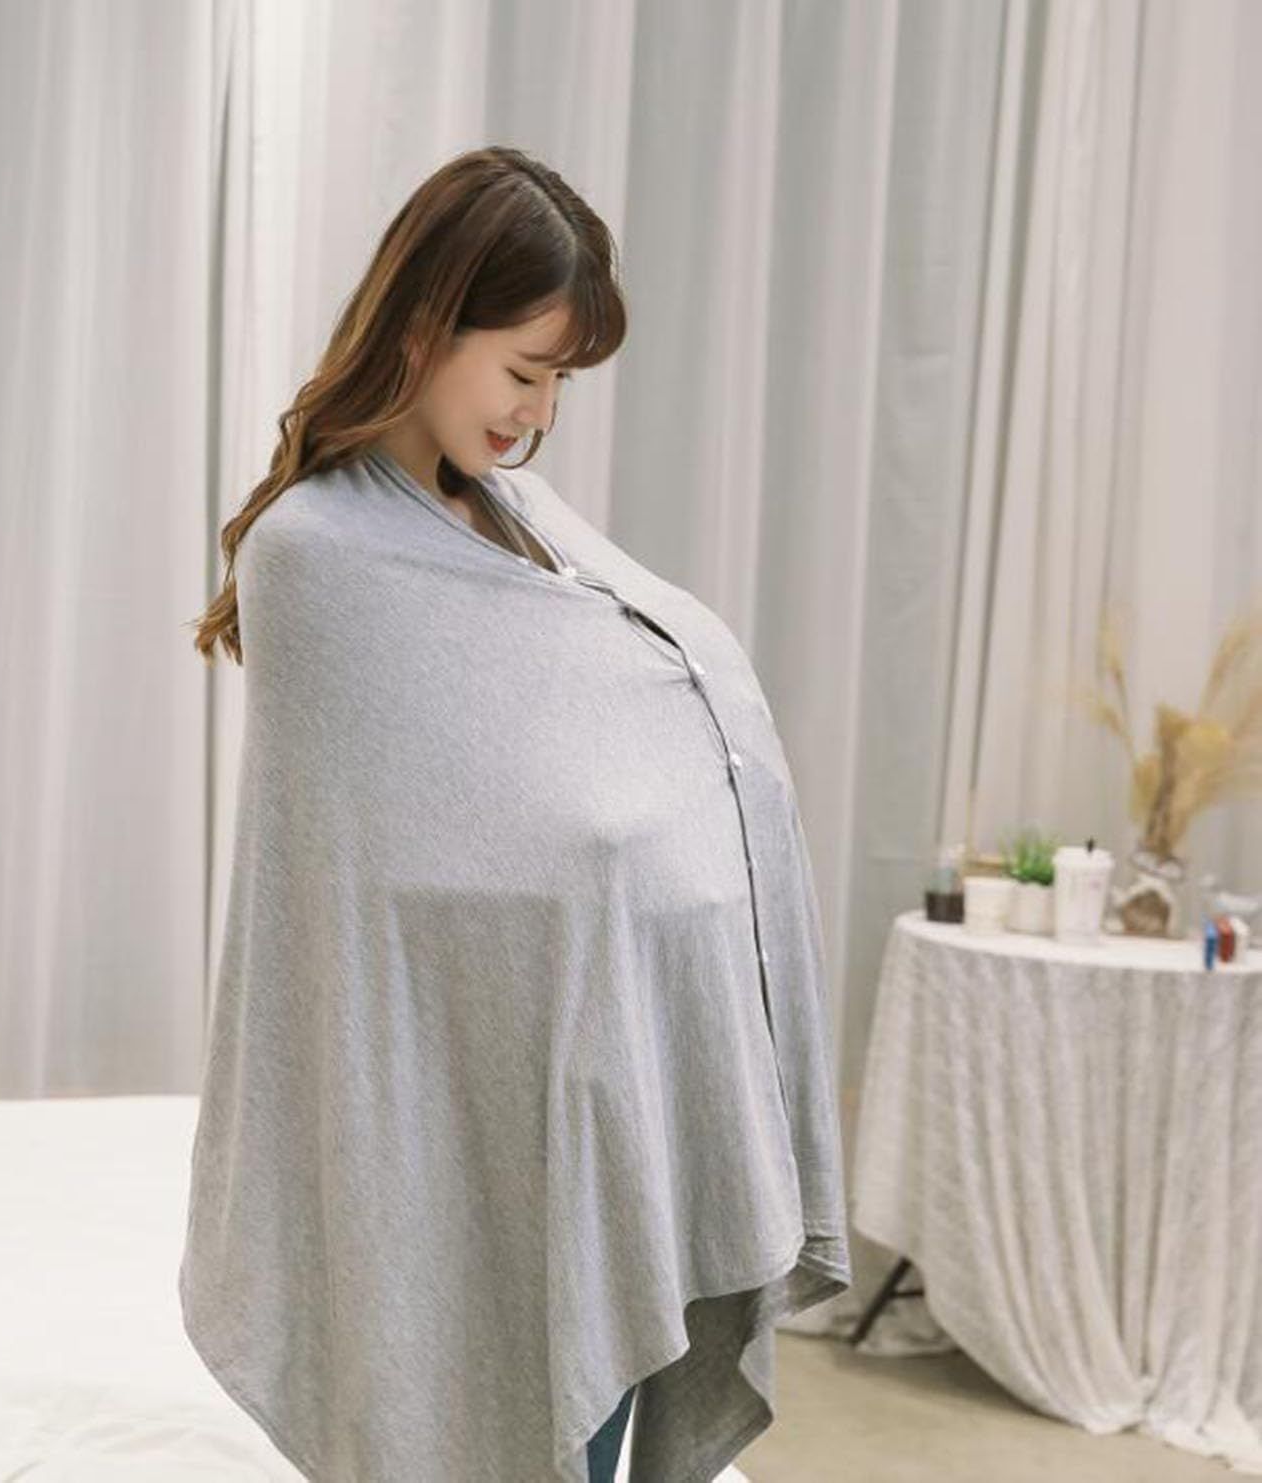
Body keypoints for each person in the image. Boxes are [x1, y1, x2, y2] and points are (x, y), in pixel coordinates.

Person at [181, 144, 851, 1483]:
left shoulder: (524, 514)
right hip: (474, 1094)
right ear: (426, 325)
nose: (537, 414)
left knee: (597, 1406)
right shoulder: (313, 555)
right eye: (524, 371)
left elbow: (643, 726)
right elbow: (365, 890)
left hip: (615, 1074)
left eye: (559, 386)